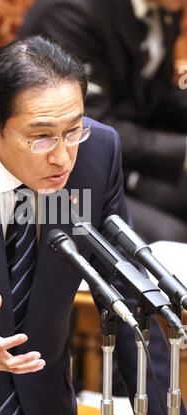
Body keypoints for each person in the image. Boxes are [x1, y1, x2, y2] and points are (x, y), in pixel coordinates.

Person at [0, 35, 183, 415]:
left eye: (75, 129)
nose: (62, 157)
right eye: (40, 137)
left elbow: (127, 294)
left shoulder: (97, 153)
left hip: (47, 409)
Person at [19, 0, 187, 243]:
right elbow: (88, 126)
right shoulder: (67, 14)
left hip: (128, 159)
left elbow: (152, 95)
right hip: (70, 176)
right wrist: (181, 151)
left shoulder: (164, 6)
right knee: (173, 239)